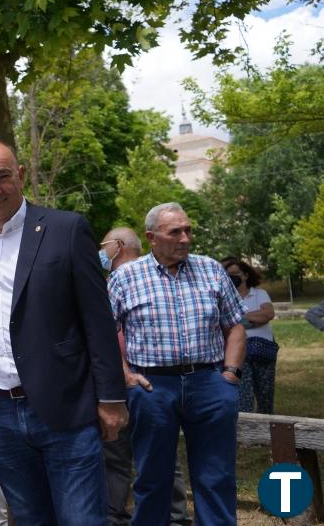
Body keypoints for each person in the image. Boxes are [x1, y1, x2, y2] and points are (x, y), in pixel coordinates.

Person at [0, 140, 127, 525]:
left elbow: (97, 321)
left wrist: (111, 397)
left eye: (3, 177)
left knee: (81, 519)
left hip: (66, 407)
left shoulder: (66, 229)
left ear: (21, 175)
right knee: (29, 519)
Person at [108, 202, 245, 525]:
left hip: (209, 383)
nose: (185, 238)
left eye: (188, 230)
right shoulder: (127, 277)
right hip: (153, 388)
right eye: (175, 232)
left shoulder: (210, 269)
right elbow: (104, 333)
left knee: (216, 476)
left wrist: (230, 374)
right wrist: (125, 374)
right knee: (153, 479)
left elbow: (235, 324)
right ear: (152, 237)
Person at [99, 228, 191, 526]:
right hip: (136, 382)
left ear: (118, 245)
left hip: (138, 382)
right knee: (150, 453)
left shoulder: (133, 280)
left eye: (104, 246)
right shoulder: (151, 278)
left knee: (129, 455)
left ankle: (155, 517)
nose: (100, 252)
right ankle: (172, 516)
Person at [222, 256, 278, 414]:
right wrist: (254, 319)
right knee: (243, 394)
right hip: (237, 353)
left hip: (263, 351)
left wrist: (238, 320)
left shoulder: (260, 293)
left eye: (237, 273)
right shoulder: (225, 298)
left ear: (246, 275)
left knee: (265, 393)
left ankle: (267, 429)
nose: (234, 277)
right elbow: (223, 321)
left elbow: (268, 314)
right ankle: (247, 432)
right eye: (229, 274)